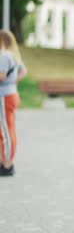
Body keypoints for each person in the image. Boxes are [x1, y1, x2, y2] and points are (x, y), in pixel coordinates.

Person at [0, 30, 28, 176]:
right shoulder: (14, 55)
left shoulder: (4, 56)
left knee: (5, 130)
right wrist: (14, 81)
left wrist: (10, 80)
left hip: (3, 95)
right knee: (8, 129)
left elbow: (2, 76)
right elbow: (24, 71)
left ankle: (7, 163)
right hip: (11, 93)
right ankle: (5, 159)